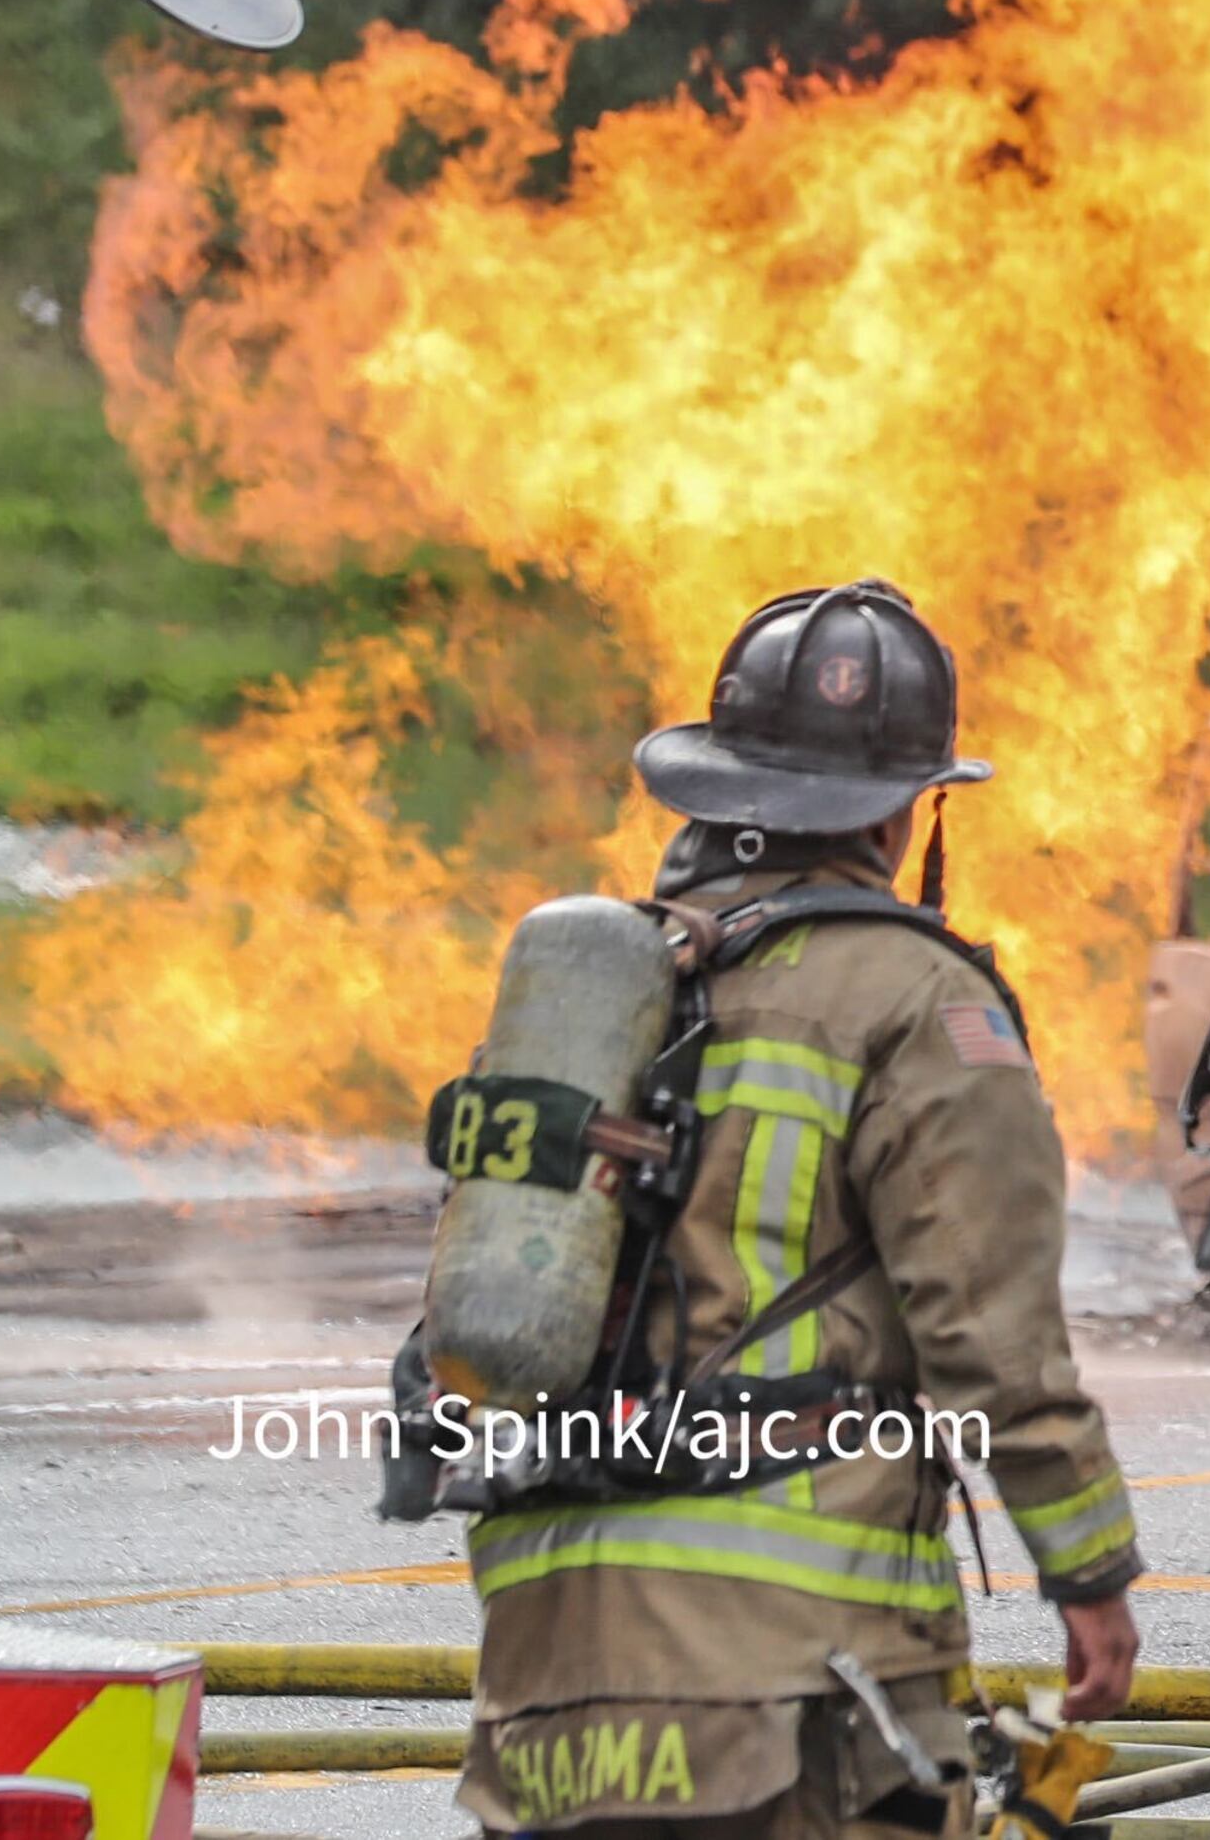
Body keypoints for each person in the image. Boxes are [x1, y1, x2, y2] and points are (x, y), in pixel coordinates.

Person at [451, 579, 1140, 1838]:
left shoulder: (614, 994)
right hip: (785, 1692)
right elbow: (993, 1344)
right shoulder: (922, 1003)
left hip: (544, 1688)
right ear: (904, 815)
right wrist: (1090, 1578)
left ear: (715, 786)